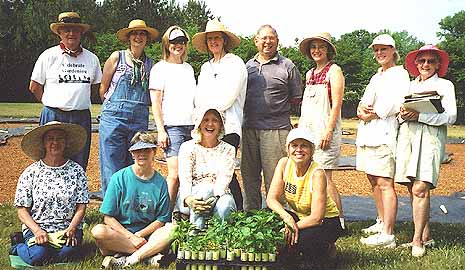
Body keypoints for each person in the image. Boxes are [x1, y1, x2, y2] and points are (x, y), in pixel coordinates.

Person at [395, 45, 456, 257]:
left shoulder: (445, 85)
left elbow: (450, 116)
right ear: (416, 64)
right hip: (408, 136)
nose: (426, 65)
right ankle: (426, 235)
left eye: (431, 61)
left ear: (438, 64)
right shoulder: (409, 85)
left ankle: (417, 239)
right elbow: (399, 114)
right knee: (412, 186)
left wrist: (420, 116)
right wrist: (403, 114)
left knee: (421, 187)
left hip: (430, 138)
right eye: (422, 61)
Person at [29, 11, 102, 171]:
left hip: (81, 117)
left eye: (75, 30)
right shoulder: (48, 56)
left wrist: (76, 100)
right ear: (59, 33)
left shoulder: (92, 59)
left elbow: (95, 88)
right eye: (67, 29)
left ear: (81, 32)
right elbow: (34, 87)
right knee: (49, 160)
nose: (71, 33)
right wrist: (51, 102)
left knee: (79, 161)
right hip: (53, 115)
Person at [356, 34, 410, 247]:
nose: (379, 53)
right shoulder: (377, 75)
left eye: (383, 49)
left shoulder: (400, 74)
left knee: (385, 182)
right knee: (373, 179)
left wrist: (371, 113)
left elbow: (393, 104)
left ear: (393, 51)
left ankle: (388, 234)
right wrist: (361, 110)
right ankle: (381, 221)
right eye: (376, 50)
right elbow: (364, 101)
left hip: (385, 133)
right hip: (368, 132)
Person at [242, 25, 303, 210]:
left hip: (276, 129)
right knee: (249, 175)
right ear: (256, 41)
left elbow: (297, 97)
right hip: (249, 128)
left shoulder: (287, 66)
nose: (267, 42)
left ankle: (276, 216)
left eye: (271, 38)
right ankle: (250, 215)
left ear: (277, 41)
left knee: (275, 176)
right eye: (263, 38)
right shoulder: (247, 66)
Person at [91, 132, 174, 268]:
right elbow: (108, 218)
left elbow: (161, 220)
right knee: (98, 231)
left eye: (146, 149)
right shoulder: (119, 178)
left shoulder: (160, 182)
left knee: (172, 229)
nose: (142, 154)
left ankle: (128, 260)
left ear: (154, 152)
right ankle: (150, 254)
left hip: (149, 235)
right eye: (137, 150)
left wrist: (139, 234)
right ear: (132, 154)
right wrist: (131, 236)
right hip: (121, 234)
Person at [11, 121, 89, 266]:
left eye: (60, 138)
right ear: (43, 143)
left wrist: (72, 228)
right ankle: (18, 245)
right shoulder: (31, 172)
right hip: (38, 227)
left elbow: (81, 206)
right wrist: (37, 230)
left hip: (68, 228)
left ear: (66, 143)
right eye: (50, 138)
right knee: (38, 257)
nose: (55, 142)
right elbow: (22, 210)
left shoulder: (77, 171)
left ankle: (51, 250)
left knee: (68, 254)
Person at [98, 19, 158, 199]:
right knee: (111, 163)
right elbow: (103, 88)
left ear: (146, 38)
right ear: (128, 37)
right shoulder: (117, 57)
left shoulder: (151, 64)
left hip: (138, 120)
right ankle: (110, 210)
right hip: (113, 118)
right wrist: (115, 108)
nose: (138, 37)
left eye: (142, 34)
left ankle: (130, 208)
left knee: (135, 164)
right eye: (134, 34)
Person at [192, 18, 247, 210]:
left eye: (217, 38)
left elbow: (229, 96)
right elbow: (199, 98)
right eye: (210, 39)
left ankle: (238, 211)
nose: (213, 42)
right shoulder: (206, 68)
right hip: (207, 126)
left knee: (227, 171)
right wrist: (200, 120)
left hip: (229, 125)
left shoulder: (235, 63)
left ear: (224, 40)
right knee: (211, 171)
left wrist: (210, 112)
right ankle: (212, 211)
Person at [266, 128, 342, 263]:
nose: (299, 150)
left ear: (312, 150)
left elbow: (317, 218)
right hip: (299, 216)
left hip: (326, 221)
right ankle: (290, 250)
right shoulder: (284, 164)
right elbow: (271, 199)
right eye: (294, 145)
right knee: (267, 218)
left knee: (302, 240)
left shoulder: (317, 173)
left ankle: (327, 249)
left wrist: (292, 227)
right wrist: (287, 218)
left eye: (304, 146)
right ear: (288, 149)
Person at [297, 32, 345, 229]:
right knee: (312, 175)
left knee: (325, 177)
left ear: (329, 50)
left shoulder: (334, 71)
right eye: (313, 47)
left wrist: (328, 130)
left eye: (321, 47)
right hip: (309, 131)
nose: (317, 50)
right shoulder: (309, 74)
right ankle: (318, 216)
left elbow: (337, 104)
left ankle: (339, 221)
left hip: (326, 131)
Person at [149, 26, 196, 209]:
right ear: (167, 44)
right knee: (175, 174)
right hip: (173, 128)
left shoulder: (189, 69)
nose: (178, 46)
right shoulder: (159, 69)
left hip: (192, 127)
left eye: (182, 42)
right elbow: (156, 103)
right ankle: (164, 216)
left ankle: (185, 213)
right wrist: (161, 130)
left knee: (191, 173)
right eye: (174, 42)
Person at [177, 108, 237, 229]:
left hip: (219, 195)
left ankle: (220, 243)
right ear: (199, 123)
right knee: (203, 192)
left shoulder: (228, 149)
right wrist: (188, 199)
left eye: (215, 120)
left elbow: (224, 180)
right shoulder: (187, 147)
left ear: (221, 125)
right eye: (205, 120)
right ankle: (194, 239)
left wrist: (210, 197)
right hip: (191, 196)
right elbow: (185, 178)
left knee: (225, 205)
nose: (210, 124)